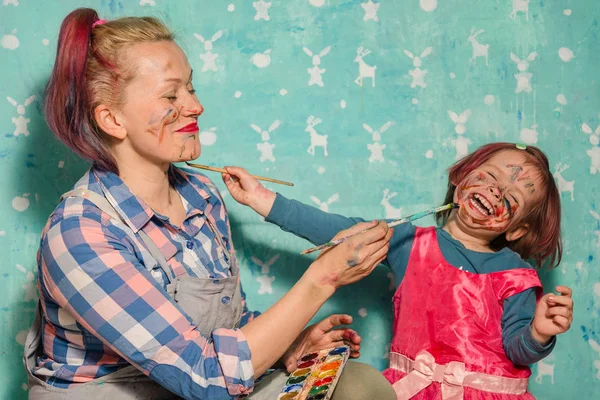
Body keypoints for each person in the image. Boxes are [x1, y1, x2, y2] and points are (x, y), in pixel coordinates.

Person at [23, 8, 398, 400]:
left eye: (191, 88)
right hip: (138, 391)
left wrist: (288, 344)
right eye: (171, 94)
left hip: (202, 381)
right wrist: (324, 277)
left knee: (359, 386)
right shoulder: (79, 233)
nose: (195, 107)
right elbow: (206, 378)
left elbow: (223, 326)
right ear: (112, 119)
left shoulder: (201, 195)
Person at [223, 142, 575, 399]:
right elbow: (337, 230)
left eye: (512, 198)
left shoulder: (516, 274)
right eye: (491, 177)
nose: (496, 192)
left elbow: (518, 350)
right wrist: (261, 199)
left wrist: (539, 333)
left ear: (516, 230)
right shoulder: (410, 241)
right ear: (462, 175)